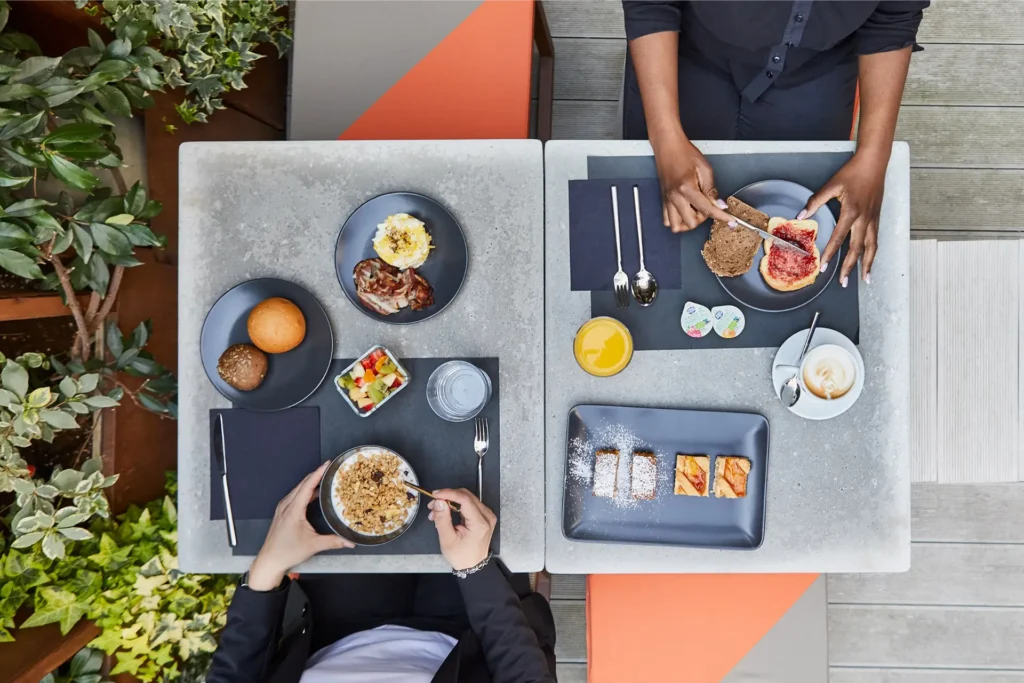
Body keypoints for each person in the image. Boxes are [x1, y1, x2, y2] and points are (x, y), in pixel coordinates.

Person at [623, 0, 929, 287]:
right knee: (648, 229)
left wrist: (874, 156)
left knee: (814, 213)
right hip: (691, 46)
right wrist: (664, 136)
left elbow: (893, 16)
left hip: (817, 67)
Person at [206, 462, 556, 683]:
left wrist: (268, 564)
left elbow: (235, 672)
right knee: (475, 480)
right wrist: (476, 570)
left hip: (339, 628)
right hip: (470, 638)